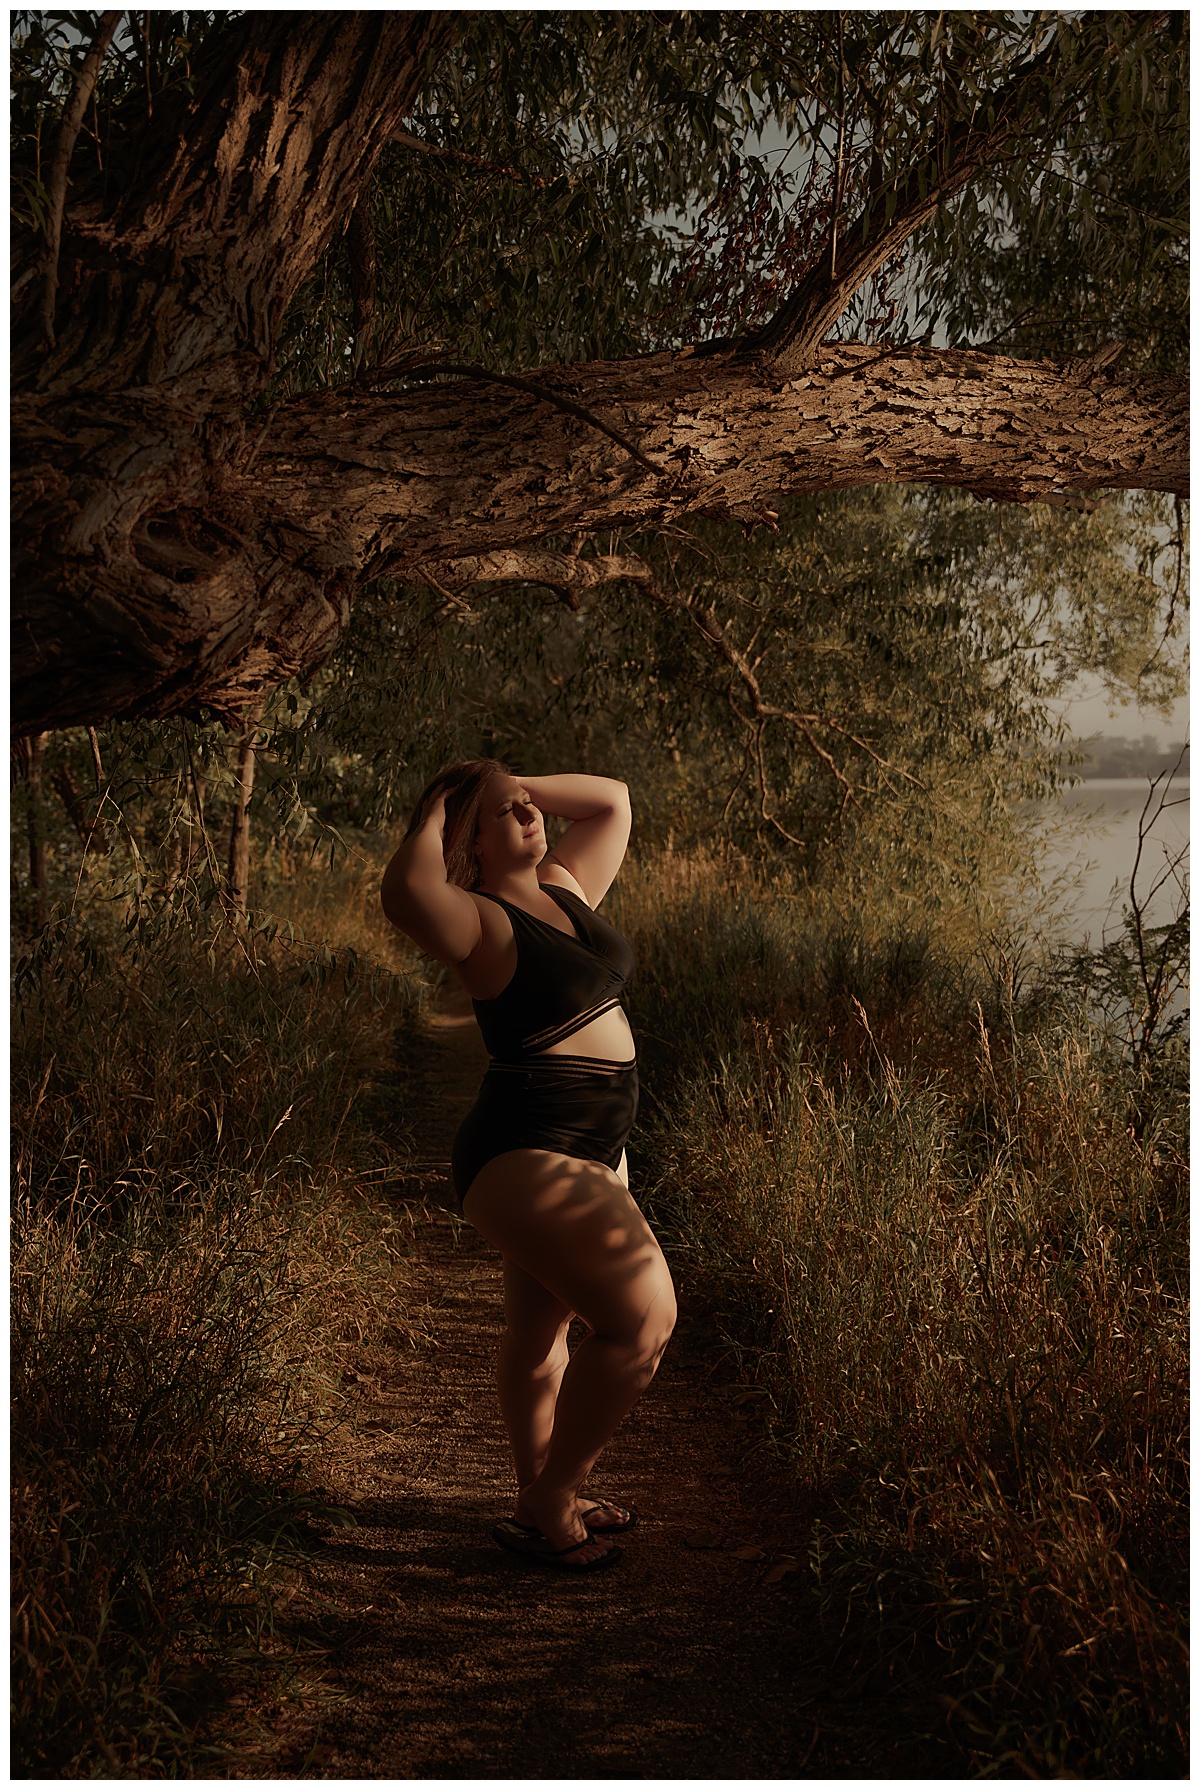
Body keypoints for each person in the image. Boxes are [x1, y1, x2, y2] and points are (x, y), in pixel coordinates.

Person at [380, 762, 677, 1572]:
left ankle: (535, 1496)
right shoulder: (478, 920)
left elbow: (615, 796)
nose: (527, 814)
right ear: (466, 843)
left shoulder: (564, 884)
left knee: (541, 1332)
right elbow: (405, 893)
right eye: (503, 814)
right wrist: (446, 799)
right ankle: (556, 1492)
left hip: (593, 1149)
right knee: (644, 1323)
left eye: (529, 806)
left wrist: (508, 782)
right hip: (529, 1147)